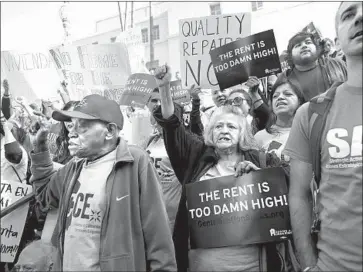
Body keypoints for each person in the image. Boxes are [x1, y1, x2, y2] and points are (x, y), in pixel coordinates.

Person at [152, 65, 291, 272]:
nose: (224, 130)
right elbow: (172, 126)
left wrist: (262, 179)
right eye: (218, 126)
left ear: (243, 133)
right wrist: (164, 88)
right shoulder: (196, 158)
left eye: (231, 126)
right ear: (210, 132)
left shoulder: (262, 160)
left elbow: (296, 184)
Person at [29, 94, 177, 271]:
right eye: (71, 126)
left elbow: (157, 231)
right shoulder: (73, 166)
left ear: (110, 131)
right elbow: (45, 197)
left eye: (82, 127)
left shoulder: (135, 162)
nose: (72, 133)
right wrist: (39, 152)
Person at [285, 2, 362, 271]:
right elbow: (299, 194)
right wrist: (308, 265)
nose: (359, 18)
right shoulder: (310, 114)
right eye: (349, 15)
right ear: (338, 35)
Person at [282, 31, 347, 101]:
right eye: (298, 45)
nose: (304, 46)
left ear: (316, 47)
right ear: (290, 55)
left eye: (308, 42)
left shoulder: (337, 63)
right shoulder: (286, 78)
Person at [255, 75, 305, 163]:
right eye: (275, 96)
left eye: (288, 94)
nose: (280, 98)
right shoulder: (259, 137)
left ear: (300, 101)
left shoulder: (309, 134)